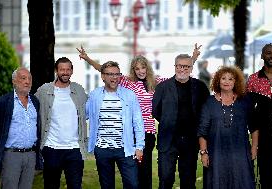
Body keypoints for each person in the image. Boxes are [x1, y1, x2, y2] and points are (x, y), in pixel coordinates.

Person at [77, 44, 201, 189]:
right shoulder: (128, 82)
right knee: (132, 170)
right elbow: (105, 71)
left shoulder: (156, 83)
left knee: (144, 168)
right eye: (137, 68)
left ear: (147, 68)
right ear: (133, 70)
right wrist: (87, 59)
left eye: (143, 68)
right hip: (129, 132)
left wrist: (193, 58)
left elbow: (180, 75)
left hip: (147, 132)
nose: (141, 71)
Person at [152, 54, 210, 189]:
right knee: (166, 179)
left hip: (191, 140)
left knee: (188, 180)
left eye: (186, 66)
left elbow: (206, 110)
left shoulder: (200, 86)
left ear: (191, 68)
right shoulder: (163, 87)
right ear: (175, 66)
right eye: (179, 66)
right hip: (168, 140)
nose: (182, 69)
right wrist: (169, 121)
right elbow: (156, 110)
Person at [86, 61, 145, 189]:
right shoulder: (94, 95)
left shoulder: (129, 95)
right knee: (107, 185)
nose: (114, 77)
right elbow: (83, 115)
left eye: (117, 74)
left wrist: (139, 146)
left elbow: (138, 122)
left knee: (133, 184)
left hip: (125, 149)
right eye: (110, 74)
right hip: (102, 149)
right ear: (102, 76)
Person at [198, 66, 258, 189]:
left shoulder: (245, 101)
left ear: (236, 82)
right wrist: (203, 153)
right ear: (217, 81)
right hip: (216, 154)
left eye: (230, 79)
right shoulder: (209, 103)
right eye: (223, 78)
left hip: (240, 153)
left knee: (242, 182)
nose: (226, 81)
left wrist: (254, 148)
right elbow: (202, 131)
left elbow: (254, 127)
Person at [35, 57, 88, 189]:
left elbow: (89, 111)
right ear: (56, 71)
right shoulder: (44, 91)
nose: (65, 72)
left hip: (74, 149)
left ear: (72, 71)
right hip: (51, 148)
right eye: (62, 69)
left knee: (75, 186)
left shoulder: (79, 90)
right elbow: (32, 109)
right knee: (51, 186)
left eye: (68, 69)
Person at [0, 68, 43, 189]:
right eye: (23, 78)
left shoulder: (35, 102)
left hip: (31, 155)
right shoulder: (3, 102)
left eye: (29, 79)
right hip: (11, 155)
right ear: (14, 81)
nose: (27, 82)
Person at [247, 43, 272, 189]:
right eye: (268, 53)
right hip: (265, 136)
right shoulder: (253, 80)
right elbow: (250, 111)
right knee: (267, 175)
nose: (271, 56)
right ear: (262, 56)